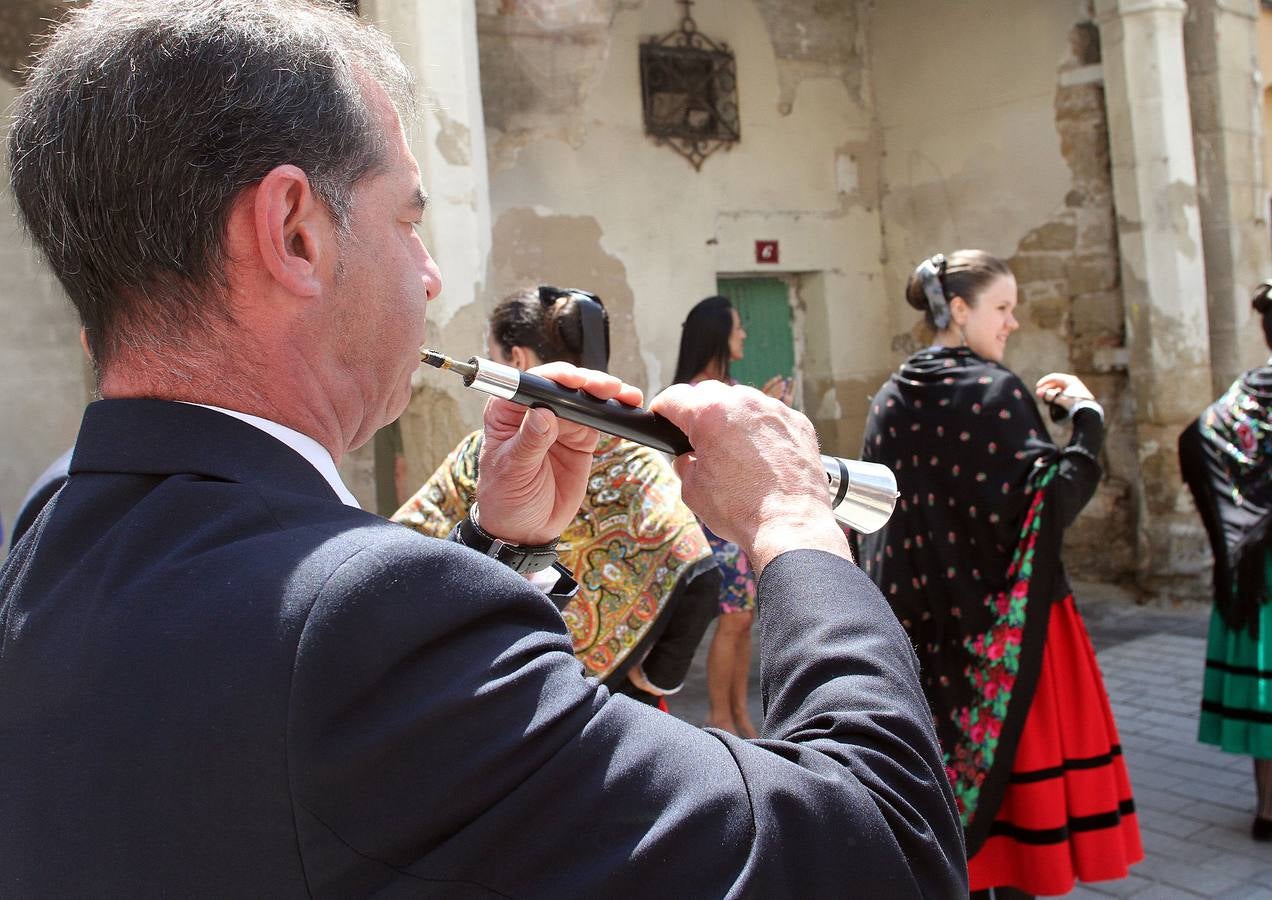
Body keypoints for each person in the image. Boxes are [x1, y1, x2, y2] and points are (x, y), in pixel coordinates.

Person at [0, 1, 966, 895]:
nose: (428, 276)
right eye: (410, 219)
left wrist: (497, 544)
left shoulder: (53, 524)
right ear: (294, 233)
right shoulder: (369, 621)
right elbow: (886, 848)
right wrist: (793, 515)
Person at [858, 250, 1143, 897]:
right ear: (959, 311)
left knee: (948, 831)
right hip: (1002, 644)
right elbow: (1053, 500)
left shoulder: (891, 397)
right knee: (1017, 823)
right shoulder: (995, 390)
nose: (1012, 324)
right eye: (1003, 309)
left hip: (921, 639)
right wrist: (1087, 419)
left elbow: (876, 518)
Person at [393, 286, 721, 705]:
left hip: (511, 684)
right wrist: (654, 676)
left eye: (492, 351)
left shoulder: (482, 453)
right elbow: (698, 570)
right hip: (616, 703)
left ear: (516, 361)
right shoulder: (631, 453)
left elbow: (405, 547)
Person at [671, 295, 791, 737]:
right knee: (735, 618)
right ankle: (720, 715)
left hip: (734, 518)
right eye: (737, 327)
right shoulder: (695, 393)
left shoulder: (725, 385)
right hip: (712, 521)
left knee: (742, 620)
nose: (743, 335)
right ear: (718, 336)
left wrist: (764, 403)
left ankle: (739, 713)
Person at [1179, 280, 1272, 843]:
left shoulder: (1248, 391)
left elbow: (1197, 439)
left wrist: (1237, 528)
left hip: (1256, 566)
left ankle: (1268, 808)